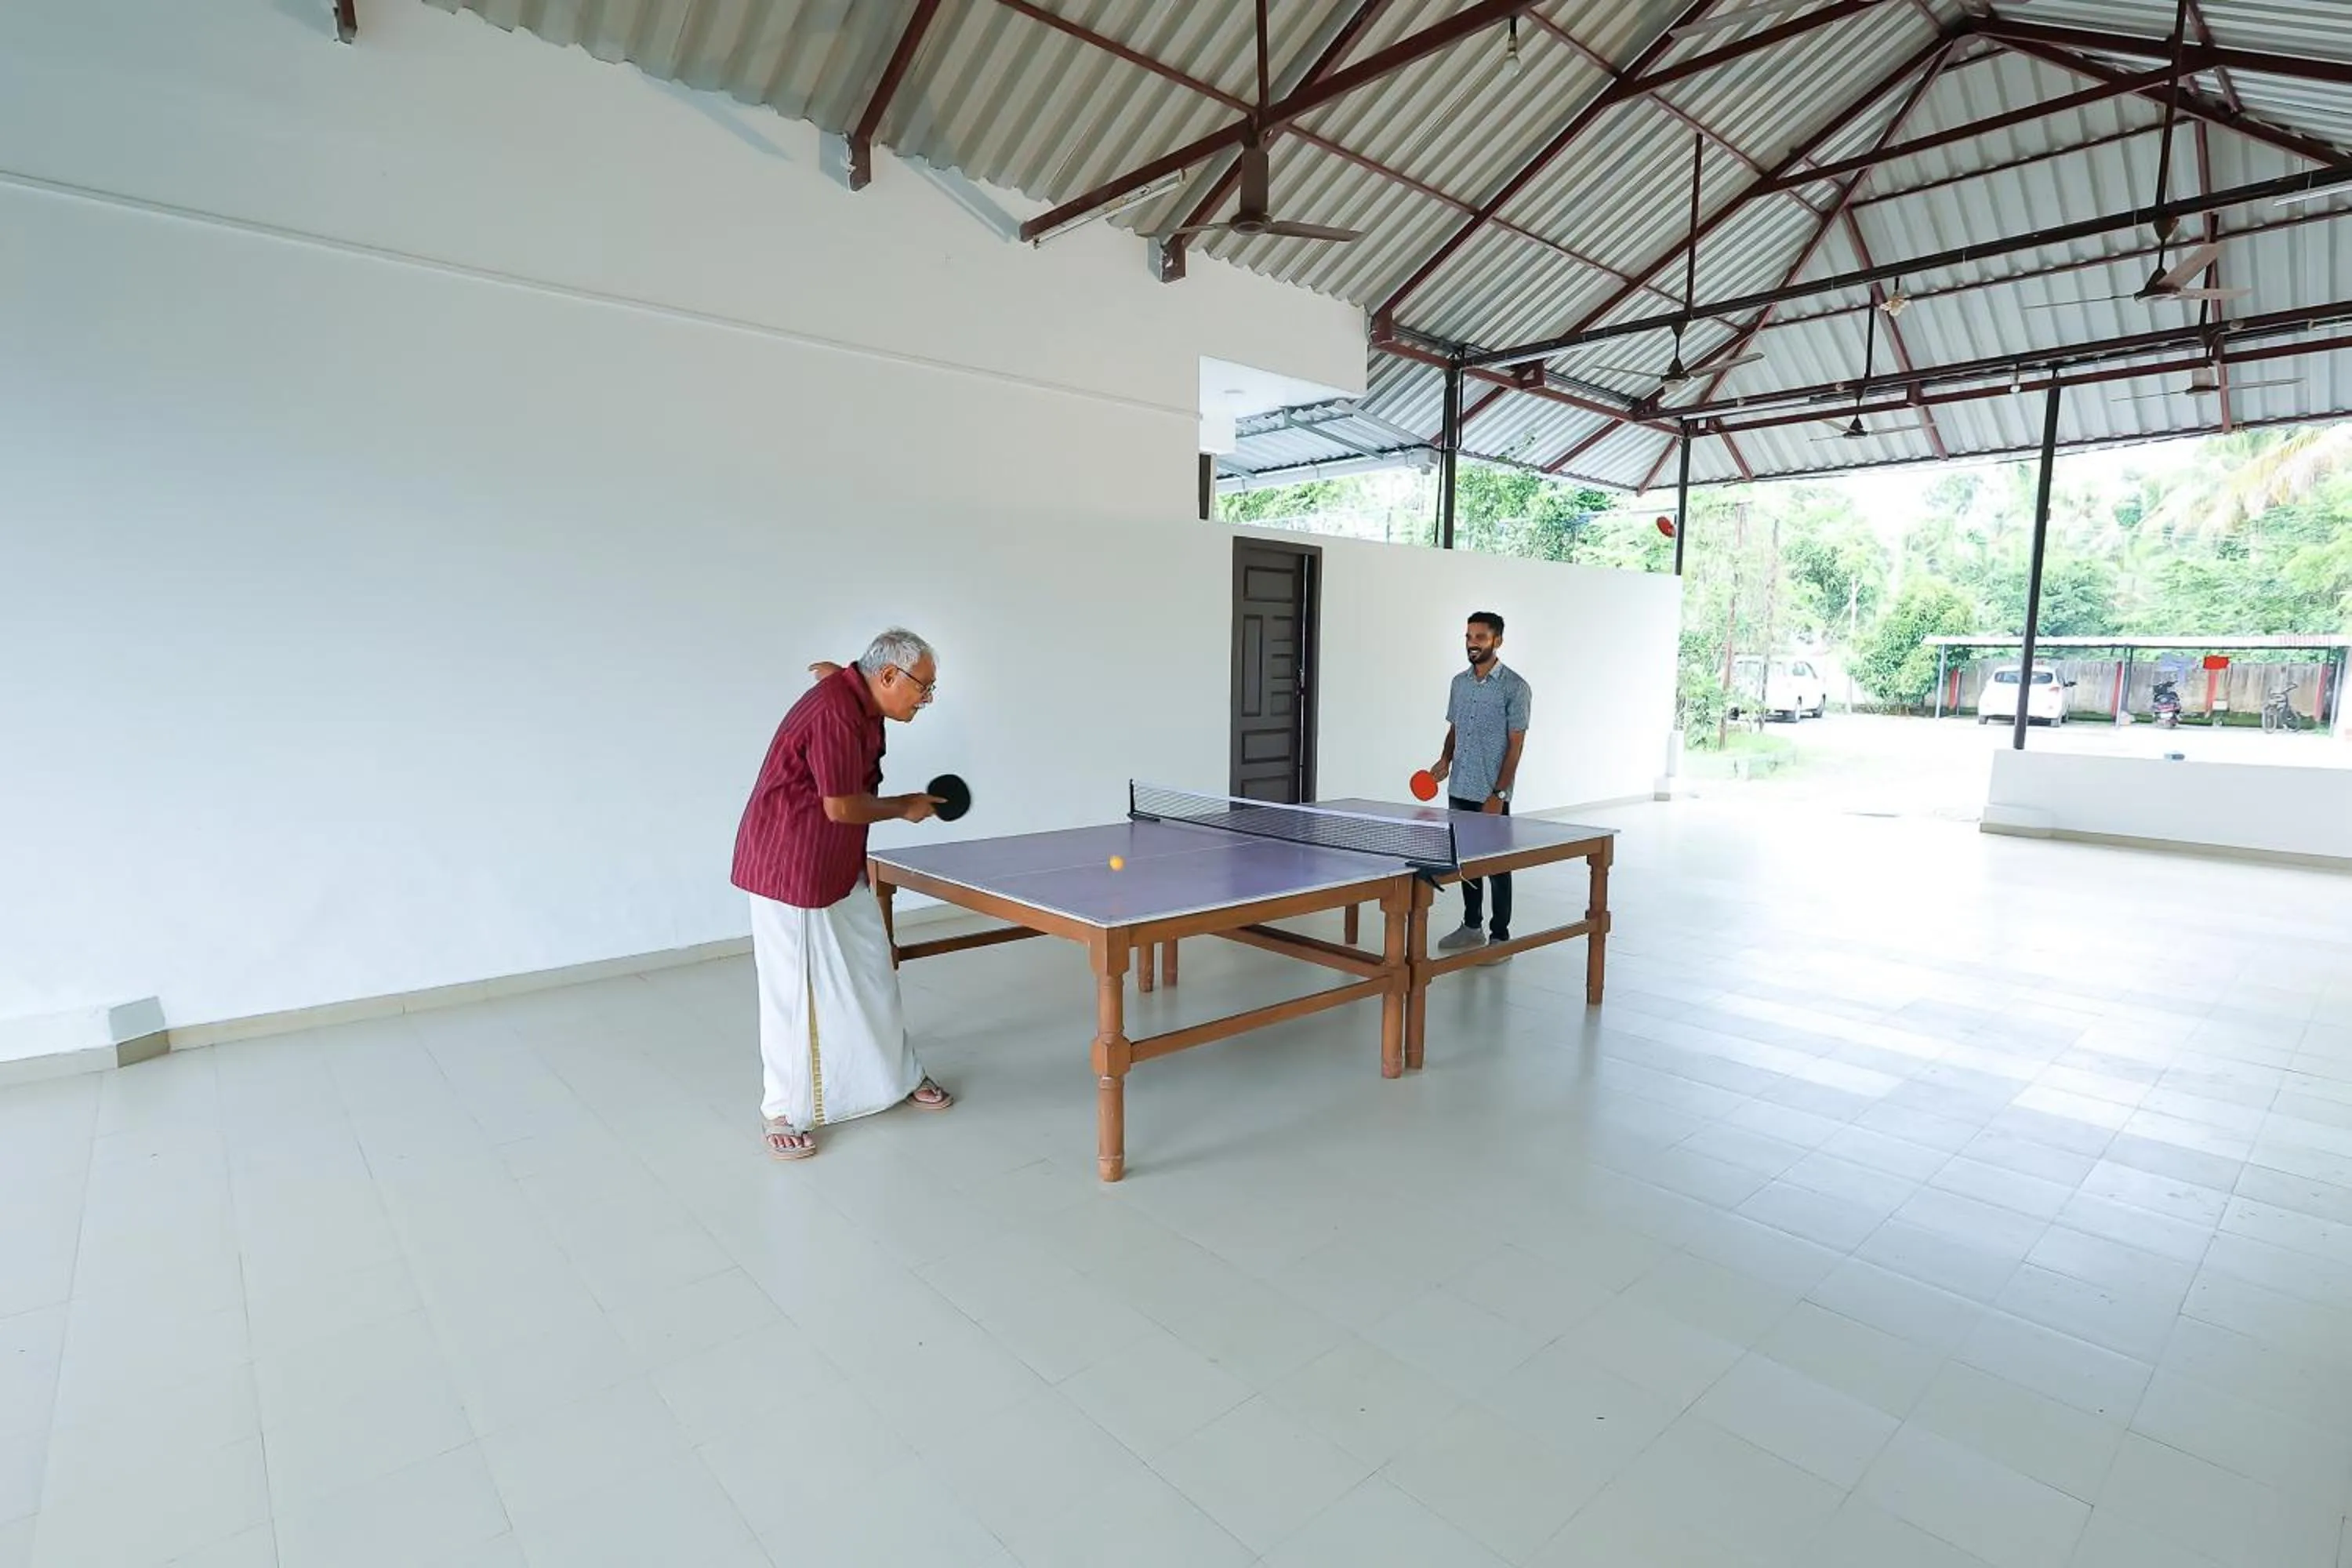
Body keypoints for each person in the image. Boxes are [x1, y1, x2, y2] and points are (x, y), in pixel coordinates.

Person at [731, 628, 954, 1160]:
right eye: (922, 689)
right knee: (793, 991)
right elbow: (840, 807)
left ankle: (896, 1076)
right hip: (791, 865)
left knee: (873, 965)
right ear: (887, 676)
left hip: (836, 860)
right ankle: (781, 1108)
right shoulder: (838, 712)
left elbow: (844, 688)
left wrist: (838, 676)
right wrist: (904, 806)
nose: (925, 700)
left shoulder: (860, 699)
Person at [1427, 610, 1530, 956]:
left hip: (1491, 793)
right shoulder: (1459, 683)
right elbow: (1455, 729)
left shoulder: (1515, 687)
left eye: (1480, 637)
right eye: (1469, 637)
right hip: (1459, 788)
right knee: (1467, 861)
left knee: (1498, 865)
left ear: (1497, 641)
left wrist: (1499, 794)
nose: (1473, 644)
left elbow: (1516, 745)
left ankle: (1500, 937)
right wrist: (1445, 761)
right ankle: (1472, 926)